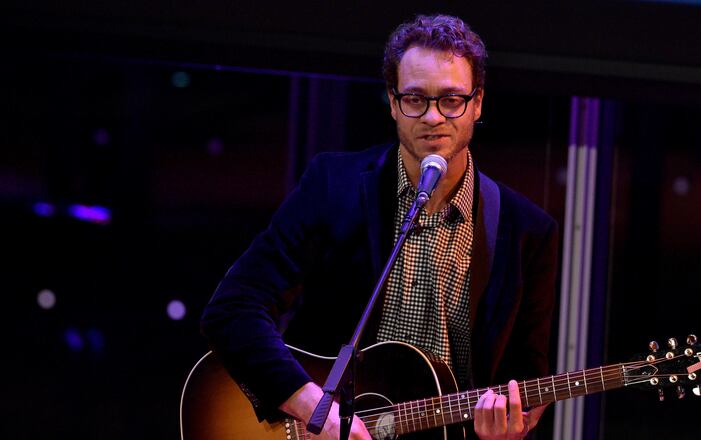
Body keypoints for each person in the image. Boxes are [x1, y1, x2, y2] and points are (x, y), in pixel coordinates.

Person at [200, 14, 558, 440]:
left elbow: (524, 387)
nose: (433, 117)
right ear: (392, 102)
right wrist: (312, 406)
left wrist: (508, 431)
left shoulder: (527, 233)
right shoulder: (333, 185)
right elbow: (232, 308)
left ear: (477, 103)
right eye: (415, 99)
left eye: (451, 100)